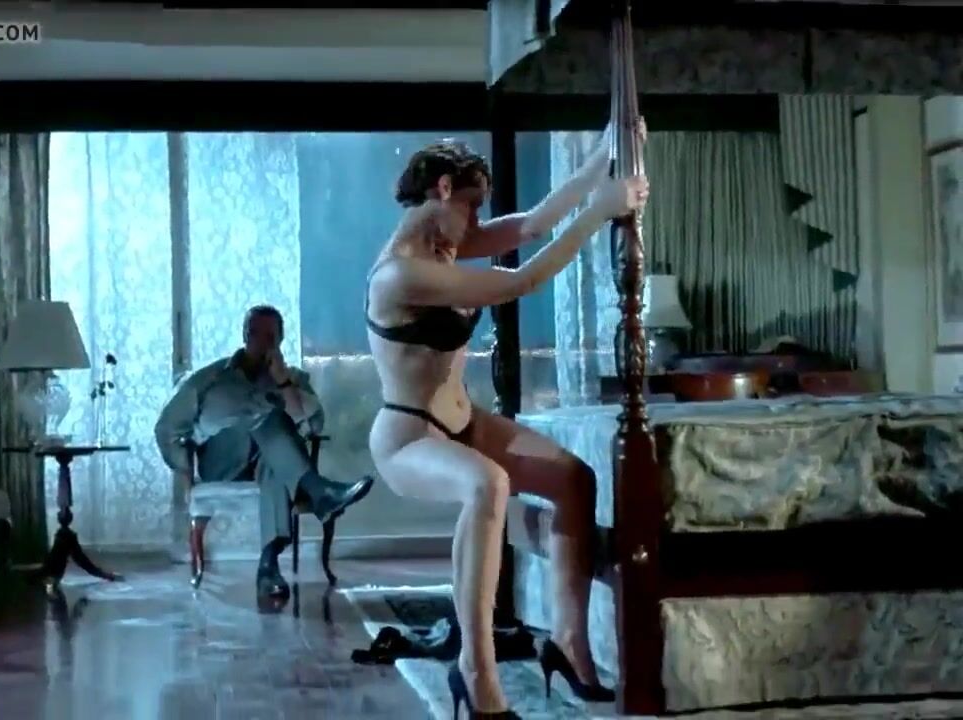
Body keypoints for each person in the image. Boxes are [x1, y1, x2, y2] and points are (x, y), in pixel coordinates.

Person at [366, 128, 648, 716]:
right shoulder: (399, 275)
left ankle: (568, 644)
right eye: (471, 207)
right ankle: (475, 672)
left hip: (464, 420)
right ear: (444, 189)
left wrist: (603, 155)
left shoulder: (447, 244)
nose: (475, 224)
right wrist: (599, 211)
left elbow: (533, 225)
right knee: (487, 483)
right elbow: (523, 279)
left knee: (574, 480)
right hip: (408, 436)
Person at [155, 305, 374, 599]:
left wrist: (282, 381)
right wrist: (186, 468)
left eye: (270, 337)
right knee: (267, 418)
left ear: (280, 340)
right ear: (244, 335)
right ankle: (318, 489)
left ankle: (268, 566)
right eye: (255, 334)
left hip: (267, 460)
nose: (261, 342)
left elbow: (312, 426)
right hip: (221, 459)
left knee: (275, 463)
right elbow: (167, 427)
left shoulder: (293, 379)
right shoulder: (211, 378)